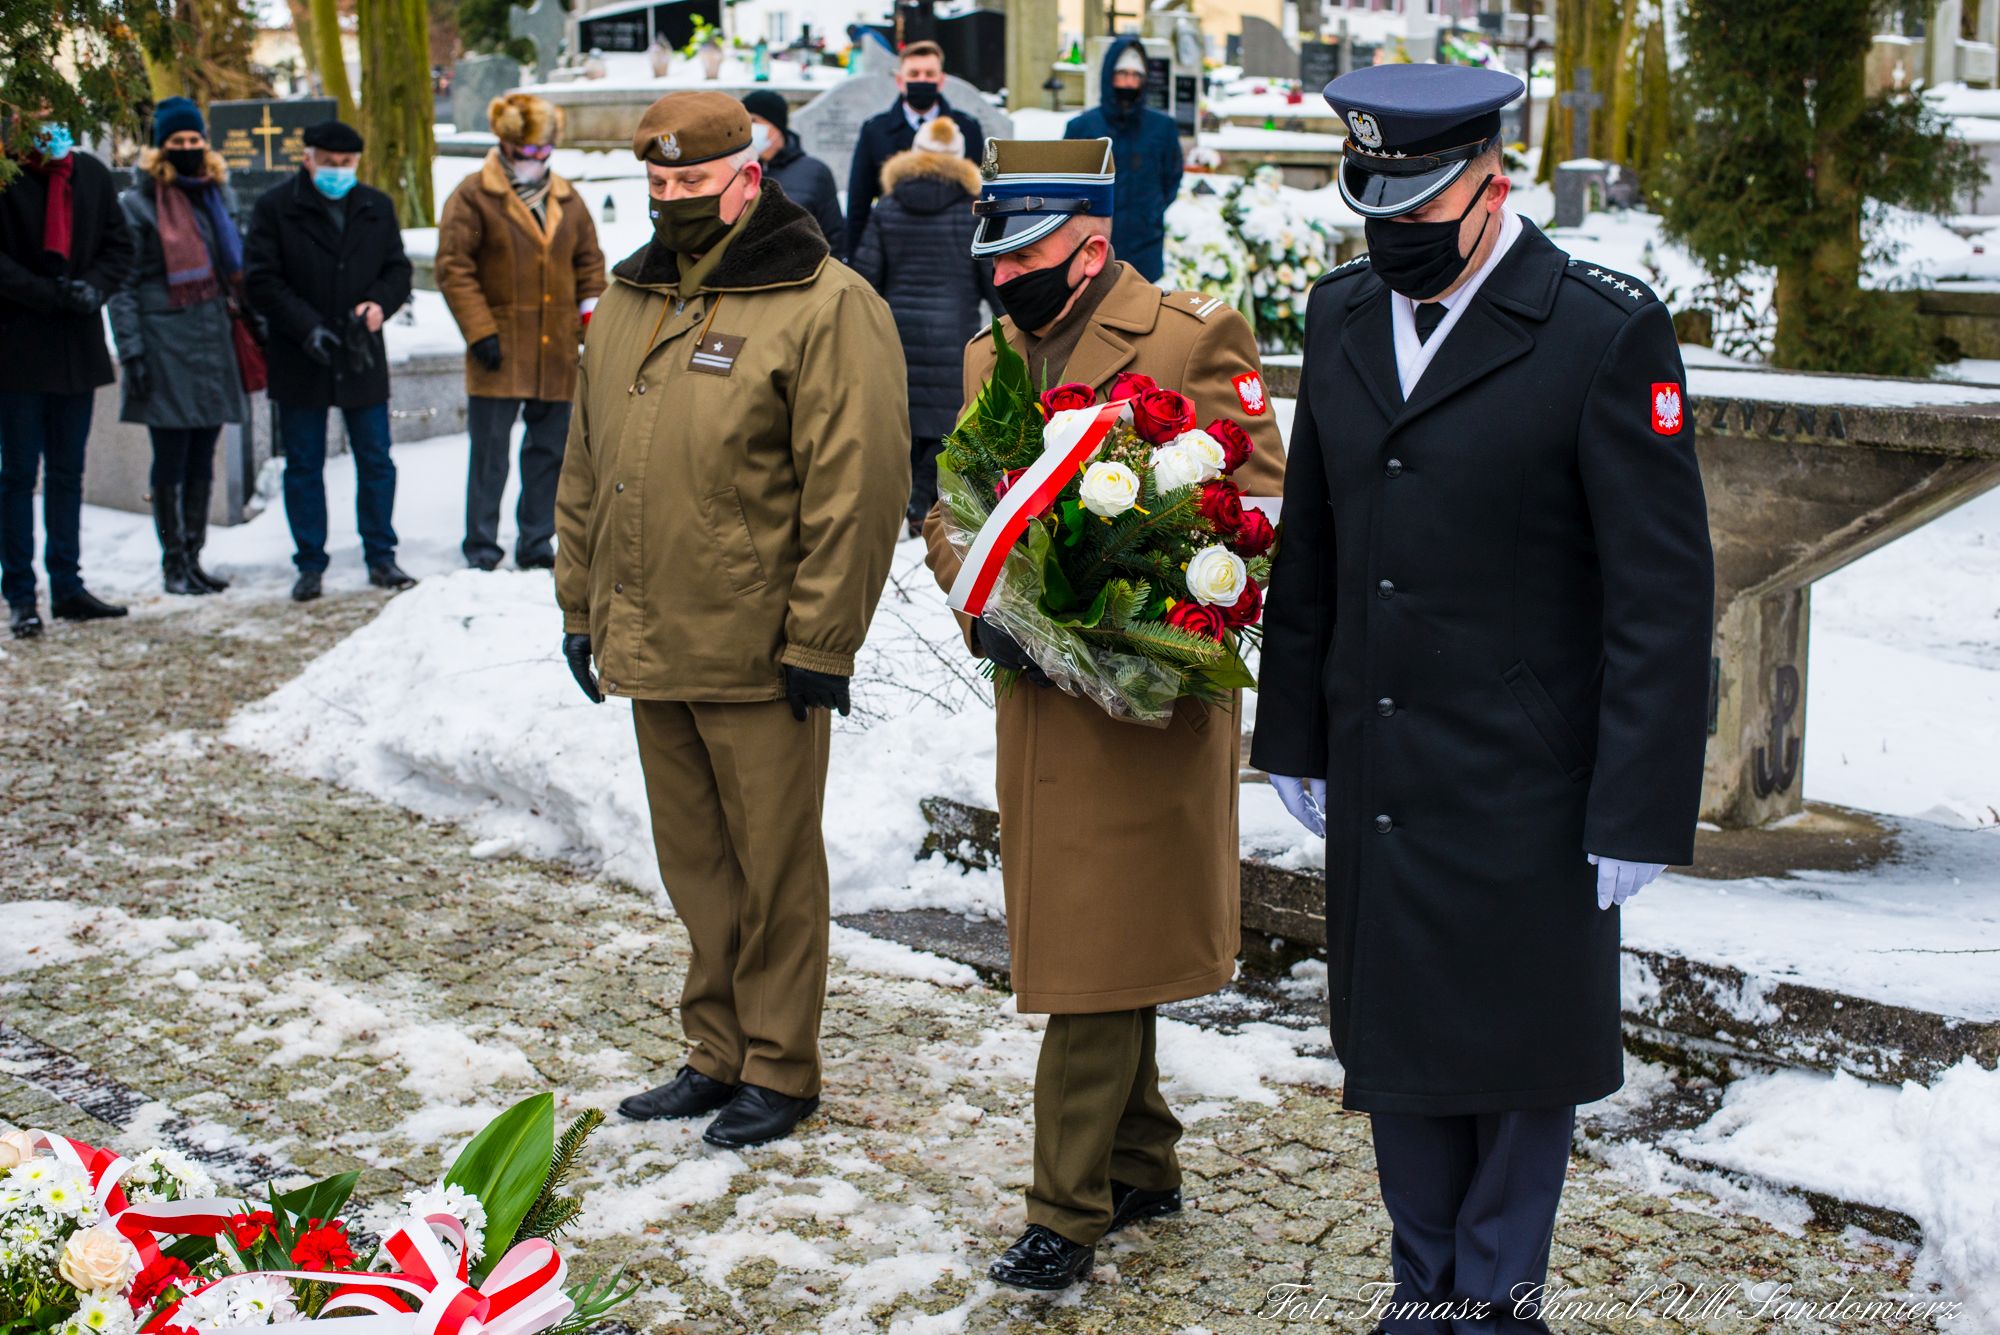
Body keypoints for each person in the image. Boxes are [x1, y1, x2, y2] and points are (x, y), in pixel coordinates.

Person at [1252, 64, 1714, 1333]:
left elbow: (1660, 593)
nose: (1391, 232)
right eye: (1372, 207)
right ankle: (1422, 1292)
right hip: (1382, 757)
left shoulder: (1597, 330)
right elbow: (1314, 541)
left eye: (1417, 208)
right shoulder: (1344, 313)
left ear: (1490, 186)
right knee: (1396, 1042)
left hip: (1527, 773)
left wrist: (1638, 802)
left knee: (1514, 1058)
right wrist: (1293, 730)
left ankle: (1495, 1302)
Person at [921, 139, 1286, 1291]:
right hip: (1037, 702)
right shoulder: (990, 354)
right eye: (992, 255)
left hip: (1146, 706)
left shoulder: (1188, 338)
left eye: (1021, 255)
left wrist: (1129, 605)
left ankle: (1062, 1210)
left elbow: (1259, 507)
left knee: (1091, 950)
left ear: (1088, 249)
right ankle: (1140, 1161)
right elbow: (952, 507)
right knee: (1101, 939)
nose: (999, 277)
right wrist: (984, 597)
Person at [557, 93, 908, 1150]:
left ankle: (780, 1063)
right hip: (650, 632)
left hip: (759, 644)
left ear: (749, 178)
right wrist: (580, 606)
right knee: (697, 865)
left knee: (773, 866)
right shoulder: (631, 298)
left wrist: (821, 639)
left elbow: (857, 484)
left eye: (694, 182)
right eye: (658, 182)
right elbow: (587, 465)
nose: (672, 199)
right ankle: (715, 1049)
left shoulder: (823, 302)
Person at [244, 119, 415, 604]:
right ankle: (309, 562)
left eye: (346, 163)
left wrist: (379, 304)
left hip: (361, 350)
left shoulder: (375, 206)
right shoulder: (276, 207)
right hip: (302, 353)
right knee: (303, 463)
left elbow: (397, 269)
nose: (338, 171)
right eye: (329, 163)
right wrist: (305, 325)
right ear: (308, 159)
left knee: (375, 459)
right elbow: (261, 278)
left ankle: (381, 554)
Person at [435, 92, 606, 573]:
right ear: (506, 144)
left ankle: (535, 539)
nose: (538, 158)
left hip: (557, 347)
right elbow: (454, 268)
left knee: (549, 450)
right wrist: (480, 331)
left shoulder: (568, 199)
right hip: (500, 345)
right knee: (490, 453)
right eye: (530, 149)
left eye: (545, 148)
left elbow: (590, 265)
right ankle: (482, 544)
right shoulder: (473, 195)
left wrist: (591, 320)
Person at [109, 97, 252, 597]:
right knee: (170, 456)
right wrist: (132, 351)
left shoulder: (217, 194)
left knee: (202, 453)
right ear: (160, 147)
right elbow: (123, 285)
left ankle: (194, 555)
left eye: (195, 139)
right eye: (178, 141)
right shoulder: (139, 204)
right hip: (163, 342)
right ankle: (173, 562)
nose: (188, 148)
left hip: (213, 339)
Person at [0, 116, 134, 638]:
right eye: (33, 117)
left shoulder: (90, 175)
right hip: (18, 347)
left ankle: (68, 585)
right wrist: (43, 292)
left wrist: (93, 287)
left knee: (66, 472)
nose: (47, 128)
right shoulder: (6, 174)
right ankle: (20, 593)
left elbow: (118, 247)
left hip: (75, 345)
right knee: (17, 476)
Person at [850, 114, 996, 537]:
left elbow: (866, 278)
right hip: (953, 334)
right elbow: (991, 279)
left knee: (905, 420)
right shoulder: (972, 212)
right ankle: (921, 504)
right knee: (943, 423)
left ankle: (904, 500)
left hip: (897, 334)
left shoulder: (888, 207)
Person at [843, 40, 985, 261]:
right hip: (894, 248)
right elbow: (858, 203)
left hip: (952, 250)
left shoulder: (967, 129)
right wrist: (855, 260)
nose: (922, 80)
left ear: (941, 80)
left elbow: (979, 197)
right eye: (914, 73)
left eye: (929, 74)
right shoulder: (876, 130)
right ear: (900, 81)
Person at [1064, 35, 1183, 283]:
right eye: (1122, 74)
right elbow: (1066, 183)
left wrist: (1151, 211)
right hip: (1094, 245)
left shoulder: (1162, 128)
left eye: (1136, 75)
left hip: (1145, 243)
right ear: (1109, 76)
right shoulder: (1083, 127)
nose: (1129, 82)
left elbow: (1171, 178)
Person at [740, 90, 846, 263]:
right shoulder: (739, 171)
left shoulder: (814, 172)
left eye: (754, 121)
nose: (749, 128)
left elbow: (834, 234)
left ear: (775, 125)